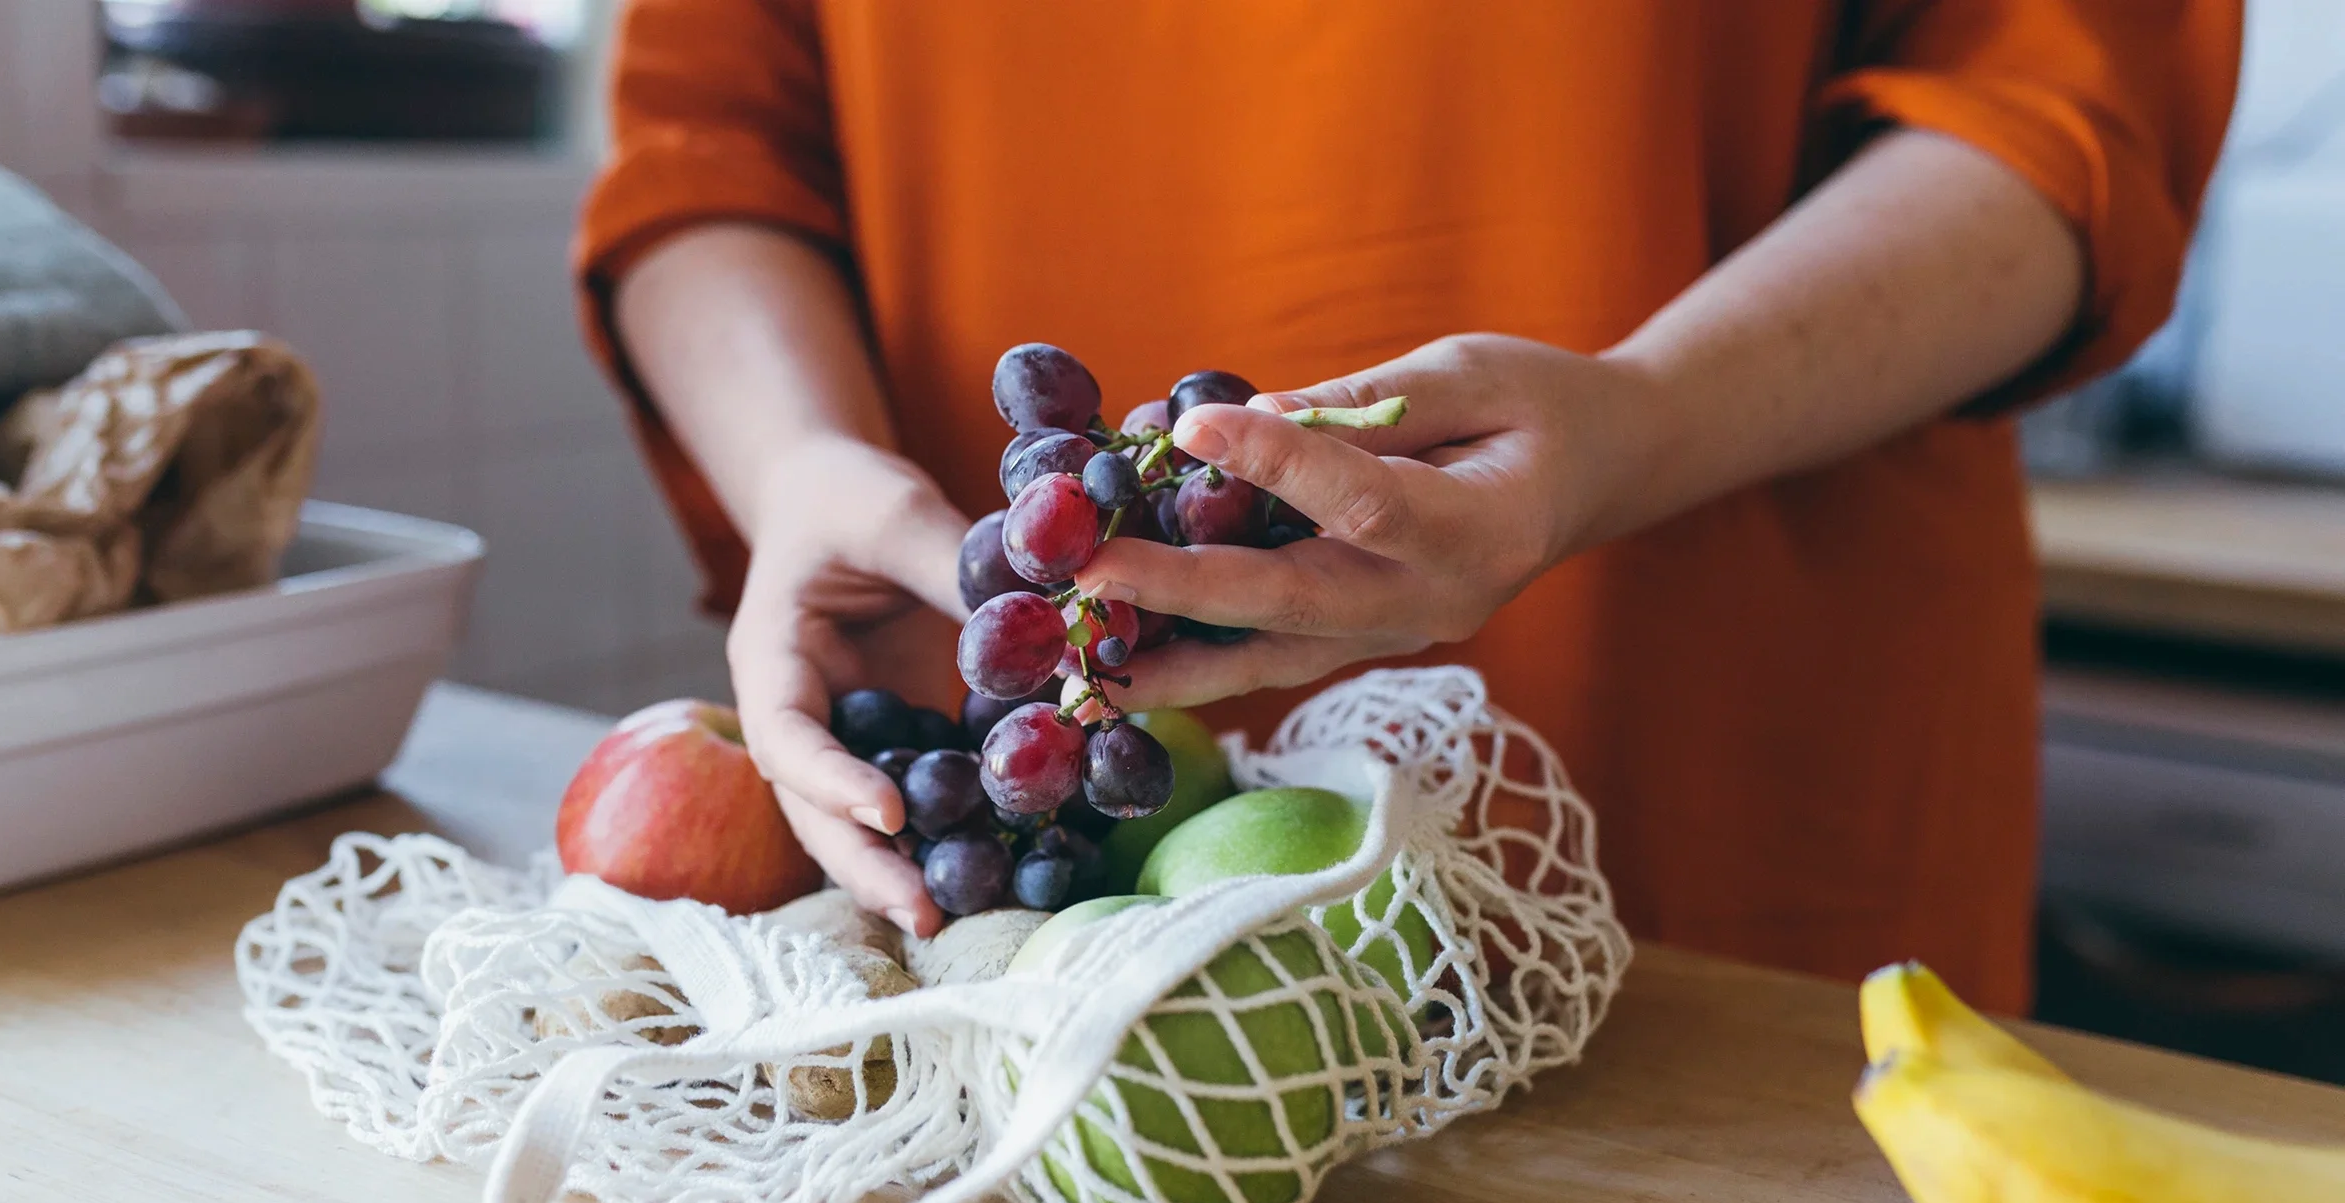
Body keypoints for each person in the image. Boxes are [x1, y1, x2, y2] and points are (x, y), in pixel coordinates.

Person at [575, 1, 2239, 1013]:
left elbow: (2053, 103)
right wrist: (801, 459)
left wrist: (1642, 418)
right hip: (1022, 884)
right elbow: (709, 140)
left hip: (1713, 780)